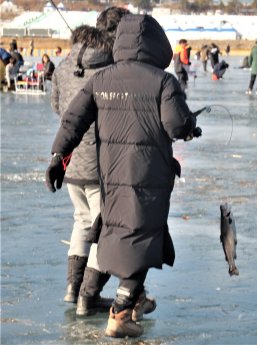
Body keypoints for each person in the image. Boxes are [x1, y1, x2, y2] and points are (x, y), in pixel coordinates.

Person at [45, 14, 201, 338]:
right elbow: (175, 125)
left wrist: (58, 157)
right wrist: (189, 127)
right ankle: (119, 312)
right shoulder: (163, 81)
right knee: (143, 234)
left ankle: (118, 303)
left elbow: (72, 119)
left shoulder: (102, 79)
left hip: (112, 172)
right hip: (149, 172)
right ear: (158, 45)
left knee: (118, 231)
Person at [50, 7, 132, 318]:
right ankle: (88, 296)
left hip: (70, 161)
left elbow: (61, 110)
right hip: (102, 163)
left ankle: (73, 288)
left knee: (82, 221)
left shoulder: (62, 66)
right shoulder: (111, 71)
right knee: (104, 227)